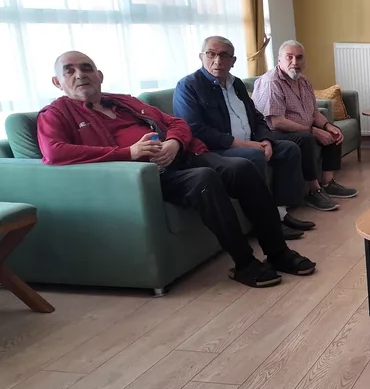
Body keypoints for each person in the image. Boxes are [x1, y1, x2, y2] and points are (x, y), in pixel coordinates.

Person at [36, 51, 316, 288]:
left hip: (184, 155)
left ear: (99, 75)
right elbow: (54, 152)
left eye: (86, 68)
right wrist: (129, 153)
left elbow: (177, 123)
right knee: (204, 178)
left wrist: (174, 142)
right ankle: (245, 263)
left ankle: (278, 253)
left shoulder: (124, 101)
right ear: (57, 81)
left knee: (243, 167)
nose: (80, 75)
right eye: (69, 70)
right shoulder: (56, 114)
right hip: (147, 176)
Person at [173, 36, 334, 241]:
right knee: (255, 156)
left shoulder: (236, 84)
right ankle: (267, 223)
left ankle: (280, 212)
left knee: (289, 149)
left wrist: (266, 140)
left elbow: (257, 117)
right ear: (201, 56)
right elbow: (195, 129)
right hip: (217, 150)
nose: (217, 60)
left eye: (224, 55)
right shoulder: (188, 86)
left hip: (252, 141)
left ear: (233, 61)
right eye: (211, 54)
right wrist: (243, 144)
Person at [253, 40, 358, 204]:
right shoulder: (271, 83)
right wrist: (312, 131)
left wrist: (328, 126)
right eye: (289, 57)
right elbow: (277, 122)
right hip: (274, 133)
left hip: (299, 128)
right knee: (306, 138)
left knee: (333, 132)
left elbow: (314, 113)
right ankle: (313, 190)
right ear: (279, 60)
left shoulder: (303, 81)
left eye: (299, 57)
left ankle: (328, 183)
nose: (295, 62)